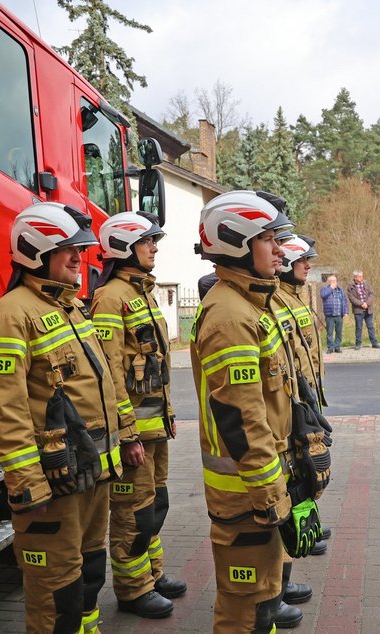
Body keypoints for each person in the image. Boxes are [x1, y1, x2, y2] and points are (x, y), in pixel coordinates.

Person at [0, 202, 125, 634]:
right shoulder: (9, 315)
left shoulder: (72, 307)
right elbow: (4, 408)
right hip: (53, 482)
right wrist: (27, 483)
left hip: (90, 472)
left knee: (90, 566)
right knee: (56, 587)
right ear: (36, 251)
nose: (80, 259)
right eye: (68, 250)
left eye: (80, 250)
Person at [190, 191, 324, 633]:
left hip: (261, 486)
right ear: (236, 242)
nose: (281, 250)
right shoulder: (230, 316)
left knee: (264, 600)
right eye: (269, 239)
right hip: (247, 494)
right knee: (246, 610)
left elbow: (277, 398)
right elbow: (242, 420)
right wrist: (273, 495)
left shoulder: (250, 304)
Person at [91, 212, 186, 619]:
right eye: (147, 241)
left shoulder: (141, 293)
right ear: (125, 246)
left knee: (155, 505)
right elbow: (110, 372)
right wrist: (126, 435)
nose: (155, 247)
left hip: (154, 430)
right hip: (134, 436)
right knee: (133, 513)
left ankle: (152, 574)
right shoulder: (110, 297)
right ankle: (132, 591)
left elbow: (154, 366)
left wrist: (166, 415)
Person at [272, 233, 335, 625]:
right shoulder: (277, 301)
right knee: (290, 492)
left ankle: (287, 567)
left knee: (303, 488)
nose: (308, 266)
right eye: (303, 261)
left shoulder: (292, 298)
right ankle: (275, 586)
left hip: (305, 408)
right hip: (293, 413)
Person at [346, 270, 380, 350]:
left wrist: (367, 303)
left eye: (362, 276)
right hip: (358, 310)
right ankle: (358, 344)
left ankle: (374, 343)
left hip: (368, 309)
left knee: (370, 326)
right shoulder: (350, 286)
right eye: (360, 276)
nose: (361, 278)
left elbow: (372, 294)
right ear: (355, 277)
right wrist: (361, 304)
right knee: (359, 327)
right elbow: (351, 298)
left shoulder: (367, 283)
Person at [320, 275, 347, 353]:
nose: (334, 282)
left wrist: (345, 312)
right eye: (332, 281)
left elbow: (344, 301)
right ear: (329, 282)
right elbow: (323, 295)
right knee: (329, 332)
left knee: (339, 332)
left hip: (339, 314)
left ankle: (337, 347)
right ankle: (330, 348)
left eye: (335, 281)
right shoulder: (324, 289)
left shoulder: (340, 290)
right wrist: (331, 288)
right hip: (329, 315)